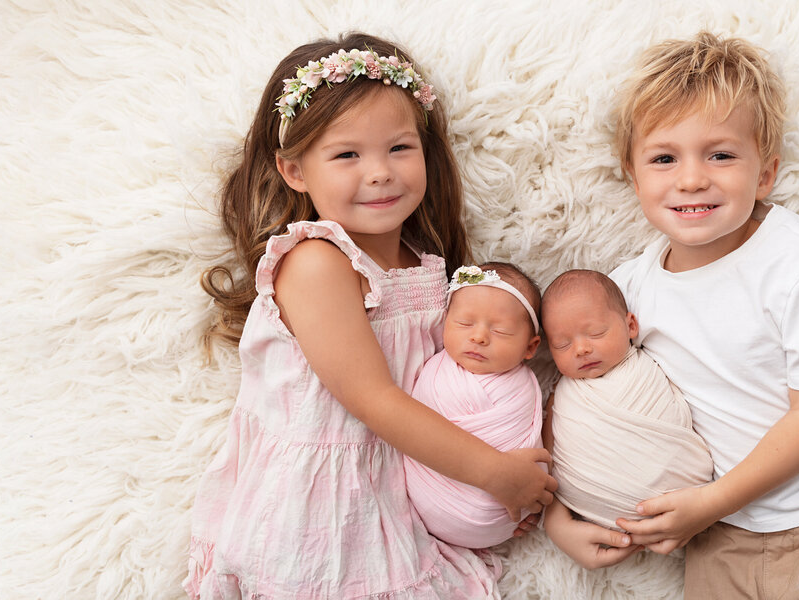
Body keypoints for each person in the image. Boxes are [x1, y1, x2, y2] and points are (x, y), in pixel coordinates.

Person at [185, 33, 557, 599]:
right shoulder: (316, 262)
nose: (380, 172)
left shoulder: (429, 267)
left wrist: (486, 500)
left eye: (399, 148)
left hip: (406, 484)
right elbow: (375, 400)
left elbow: (451, 387)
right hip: (322, 505)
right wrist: (493, 474)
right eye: (347, 154)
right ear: (294, 171)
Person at [548, 32, 799, 598]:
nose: (692, 178)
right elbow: (576, 399)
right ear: (634, 176)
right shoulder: (625, 292)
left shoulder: (796, 260)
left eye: (720, 154)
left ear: (765, 172)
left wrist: (708, 504)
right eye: (665, 158)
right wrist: (557, 522)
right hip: (721, 538)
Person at [539, 269, 713, 566]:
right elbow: (547, 448)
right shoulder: (563, 394)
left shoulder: (652, 365)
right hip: (602, 516)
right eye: (563, 345)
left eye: (596, 333)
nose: (581, 349)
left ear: (630, 325)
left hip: (690, 503)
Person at [404, 262, 545, 549]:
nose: (478, 337)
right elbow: (411, 429)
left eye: (502, 331)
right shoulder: (432, 370)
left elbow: (532, 445)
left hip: (508, 512)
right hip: (428, 503)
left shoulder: (525, 389)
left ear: (531, 347)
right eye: (464, 324)